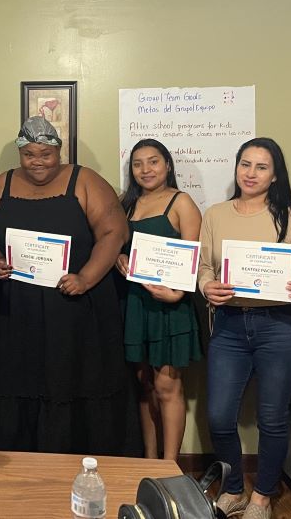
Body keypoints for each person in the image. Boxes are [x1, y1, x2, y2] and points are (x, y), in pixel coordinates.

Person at [0, 116, 130, 454]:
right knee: (20, 380)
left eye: (46, 154)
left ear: (59, 151)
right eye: (30, 154)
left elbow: (113, 233)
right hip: (17, 311)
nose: (38, 162)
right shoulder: (1, 184)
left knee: (74, 378)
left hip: (75, 305)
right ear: (20, 153)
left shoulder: (85, 180)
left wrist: (86, 277)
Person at [199, 137, 291, 519]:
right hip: (230, 325)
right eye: (245, 164)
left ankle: (263, 496)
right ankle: (235, 487)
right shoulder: (215, 214)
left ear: (274, 176)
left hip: (281, 327)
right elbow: (205, 266)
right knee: (220, 416)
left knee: (272, 417)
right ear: (236, 168)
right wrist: (207, 285)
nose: (250, 173)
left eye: (261, 167)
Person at [114, 138, 202, 460]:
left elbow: (194, 260)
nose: (146, 169)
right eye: (138, 164)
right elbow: (113, 245)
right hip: (135, 304)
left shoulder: (181, 202)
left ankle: (169, 467)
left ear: (167, 165)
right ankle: (148, 462)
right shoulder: (124, 203)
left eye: (153, 161)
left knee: (168, 387)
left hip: (169, 307)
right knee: (144, 386)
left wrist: (177, 292)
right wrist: (118, 260)